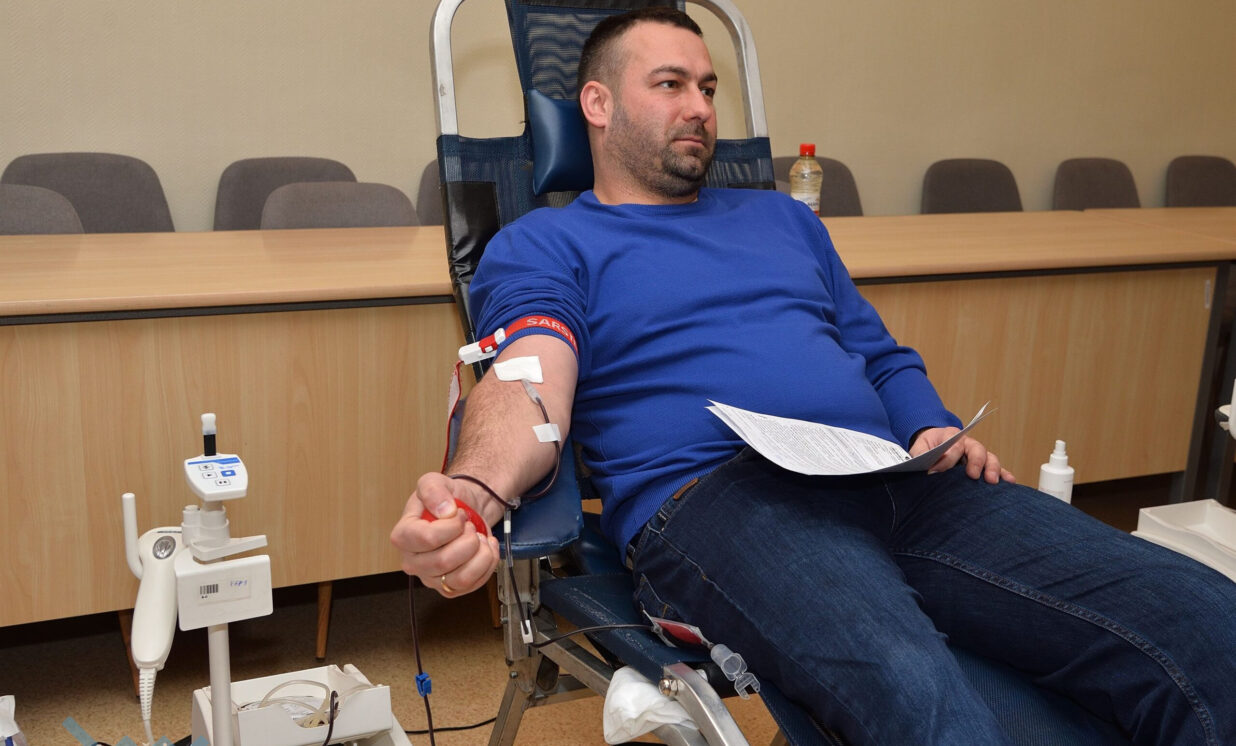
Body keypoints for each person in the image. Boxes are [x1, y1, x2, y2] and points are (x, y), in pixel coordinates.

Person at [391, 8, 1236, 745]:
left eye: (709, 88)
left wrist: (929, 424)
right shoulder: (546, 243)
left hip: (894, 476)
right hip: (723, 502)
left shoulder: (784, 221)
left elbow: (879, 354)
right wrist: (474, 492)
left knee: (1198, 616)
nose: (700, 107)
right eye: (671, 84)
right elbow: (528, 381)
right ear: (598, 104)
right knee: (913, 688)